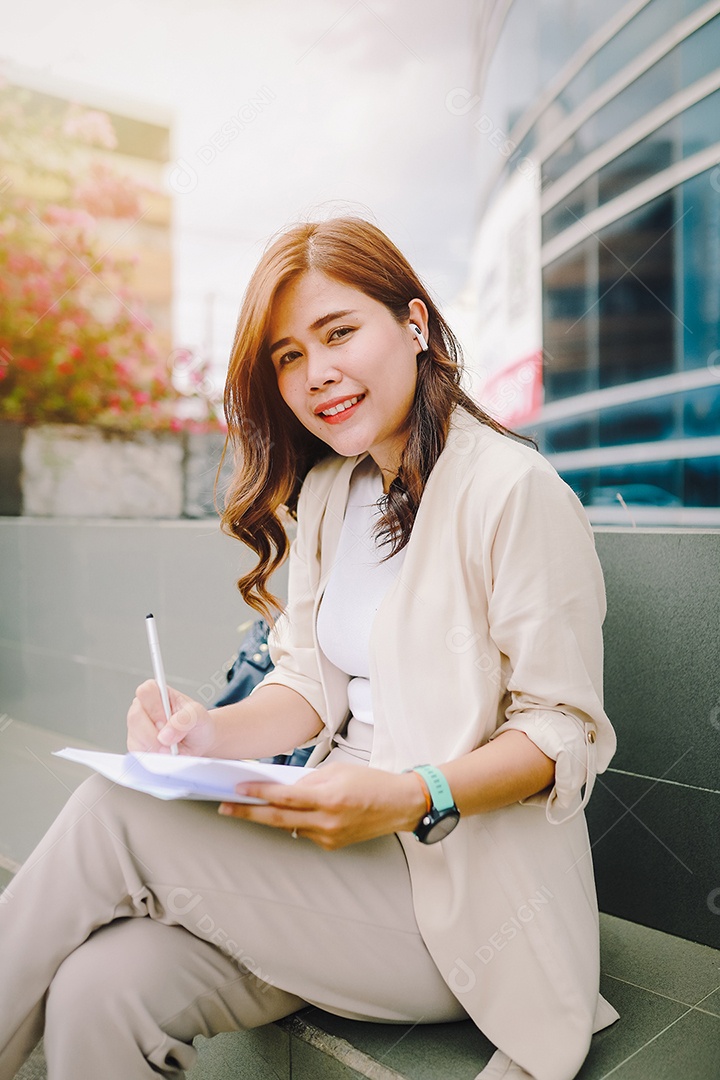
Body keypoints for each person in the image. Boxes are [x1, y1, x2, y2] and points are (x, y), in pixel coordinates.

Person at [0, 217, 619, 1080]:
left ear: (416, 326)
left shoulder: (515, 491)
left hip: (460, 905)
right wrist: (200, 736)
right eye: (289, 356)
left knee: (115, 813)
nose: (316, 372)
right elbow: (308, 689)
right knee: (99, 989)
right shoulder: (332, 492)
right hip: (329, 866)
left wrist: (410, 794)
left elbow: (563, 735)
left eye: (338, 333)